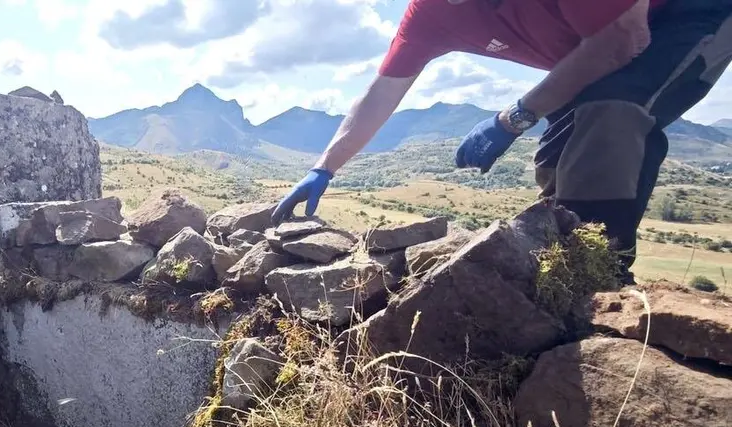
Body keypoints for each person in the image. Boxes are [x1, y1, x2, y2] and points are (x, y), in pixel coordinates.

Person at [272, 0, 732, 283]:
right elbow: (383, 91)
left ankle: (602, 283)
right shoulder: (430, 13)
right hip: (601, 54)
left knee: (613, 113)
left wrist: (515, 117)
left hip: (692, 13)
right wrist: (324, 167)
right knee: (555, 161)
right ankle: (565, 274)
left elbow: (624, 41)